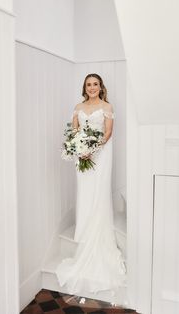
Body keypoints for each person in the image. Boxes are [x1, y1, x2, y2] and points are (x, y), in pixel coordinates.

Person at [55, 73, 126, 296]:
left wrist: (91, 149)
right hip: (81, 158)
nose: (92, 87)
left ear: (100, 86)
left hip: (100, 156)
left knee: (99, 192)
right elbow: (74, 131)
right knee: (85, 193)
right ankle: (84, 232)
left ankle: (98, 233)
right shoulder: (78, 106)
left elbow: (108, 132)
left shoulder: (107, 106)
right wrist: (79, 149)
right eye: (89, 84)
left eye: (96, 84)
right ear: (84, 87)